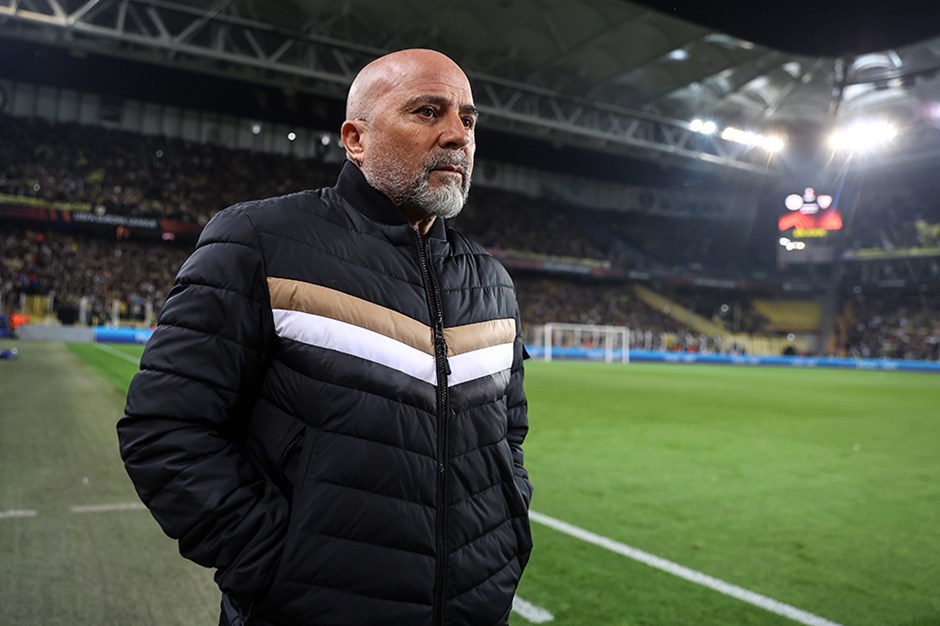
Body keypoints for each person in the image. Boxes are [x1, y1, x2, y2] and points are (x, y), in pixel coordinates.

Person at [117, 48, 533, 626]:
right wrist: (277, 566)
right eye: (427, 111)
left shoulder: (492, 282)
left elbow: (508, 437)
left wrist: (504, 540)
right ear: (355, 139)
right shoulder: (260, 240)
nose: (457, 135)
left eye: (467, 119)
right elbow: (165, 428)